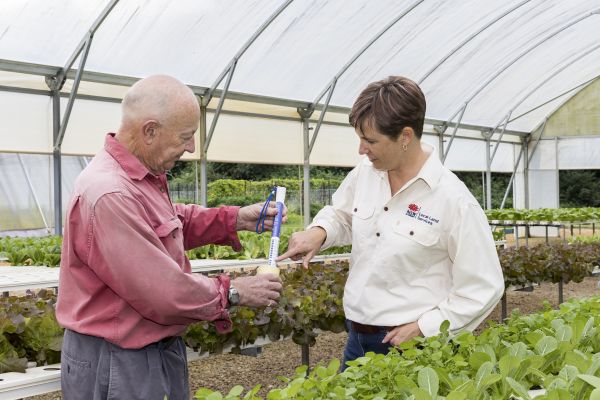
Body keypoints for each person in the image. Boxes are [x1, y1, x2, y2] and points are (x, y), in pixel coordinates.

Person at [56, 75, 284, 400]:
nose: (191, 147)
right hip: (116, 360)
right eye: (186, 137)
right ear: (150, 131)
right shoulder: (108, 193)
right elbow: (163, 292)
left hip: (148, 352)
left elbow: (173, 222)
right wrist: (233, 291)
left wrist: (234, 219)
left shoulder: (141, 177)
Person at [278, 76, 504, 370]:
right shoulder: (366, 173)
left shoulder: (453, 200)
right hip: (357, 340)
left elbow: (484, 286)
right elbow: (342, 214)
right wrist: (319, 232)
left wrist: (426, 327)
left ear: (405, 136)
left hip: (413, 349)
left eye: (370, 141)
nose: (361, 149)